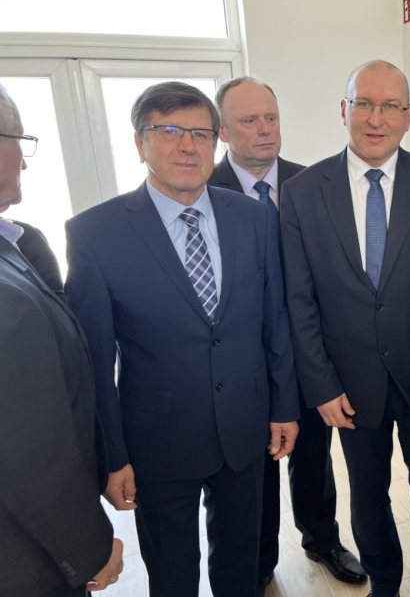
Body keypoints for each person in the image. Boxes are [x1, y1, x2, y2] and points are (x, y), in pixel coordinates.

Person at [65, 81, 299, 597]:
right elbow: (94, 361)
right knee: (172, 574)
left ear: (216, 141)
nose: (188, 146)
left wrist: (285, 406)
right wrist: (112, 456)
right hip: (157, 441)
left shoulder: (254, 217)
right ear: (140, 142)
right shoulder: (95, 234)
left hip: (244, 428)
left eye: (201, 133)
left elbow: (275, 319)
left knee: (242, 566)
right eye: (169, 131)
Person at [280, 60, 410, 597]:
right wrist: (321, 386)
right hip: (347, 386)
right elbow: (299, 300)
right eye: (364, 104)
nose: (376, 118)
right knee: (367, 498)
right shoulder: (302, 192)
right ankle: (385, 585)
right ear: (343, 109)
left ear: (408, 115)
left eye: (390, 106)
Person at [209, 76, 365, 591]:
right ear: (223, 131)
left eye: (271, 118)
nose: (265, 130)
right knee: (254, 470)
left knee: (314, 458)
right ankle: (258, 562)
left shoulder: (313, 183)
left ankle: (322, 539)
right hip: (245, 365)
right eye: (249, 121)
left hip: (310, 356)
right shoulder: (203, 191)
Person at [0, 83, 123, 597]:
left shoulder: (18, 243)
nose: (25, 160)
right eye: (18, 139)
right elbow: (25, 446)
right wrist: (88, 545)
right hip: (27, 559)